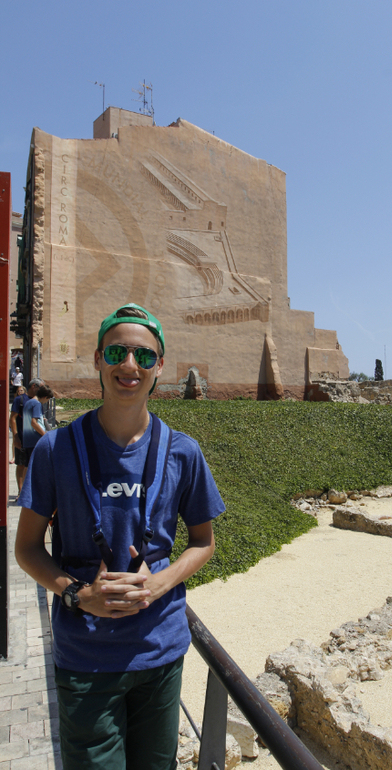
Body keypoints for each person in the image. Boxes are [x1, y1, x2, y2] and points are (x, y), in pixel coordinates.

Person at [15, 303, 225, 770]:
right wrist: (77, 594)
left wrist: (160, 582)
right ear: (98, 359)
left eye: (144, 356)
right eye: (117, 353)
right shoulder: (55, 449)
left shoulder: (183, 451)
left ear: (159, 367)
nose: (130, 365)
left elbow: (203, 542)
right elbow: (26, 548)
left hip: (159, 652)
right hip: (85, 655)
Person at [9, 378, 44, 498]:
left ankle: (29, 492)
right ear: (34, 386)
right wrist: (15, 437)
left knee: (31, 465)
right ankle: (21, 492)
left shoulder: (38, 401)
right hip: (22, 437)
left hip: (34, 440)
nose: (42, 390)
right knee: (21, 464)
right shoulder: (20, 400)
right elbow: (12, 418)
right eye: (41, 387)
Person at [22, 385, 55, 465]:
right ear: (45, 397)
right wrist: (45, 435)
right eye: (47, 399)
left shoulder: (28, 403)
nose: (46, 402)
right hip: (35, 440)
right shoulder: (37, 404)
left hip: (27, 440)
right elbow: (34, 423)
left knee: (28, 466)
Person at [10, 385, 26, 464]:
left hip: (23, 426)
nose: (20, 392)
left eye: (21, 390)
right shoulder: (16, 400)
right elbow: (12, 416)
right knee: (15, 440)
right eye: (18, 391)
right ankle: (13, 457)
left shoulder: (26, 400)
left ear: (24, 391)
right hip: (16, 424)